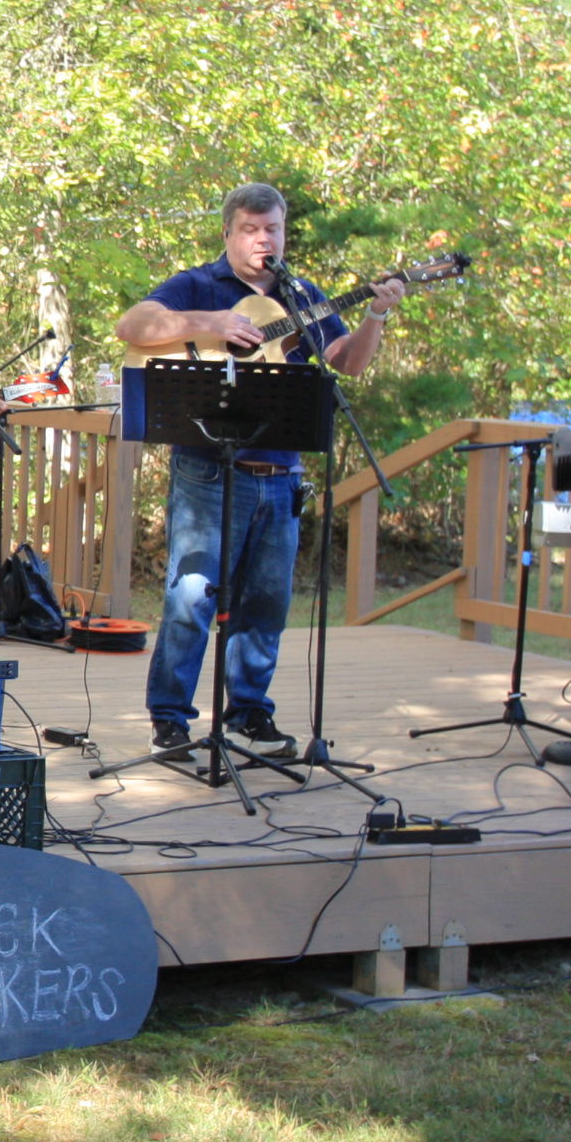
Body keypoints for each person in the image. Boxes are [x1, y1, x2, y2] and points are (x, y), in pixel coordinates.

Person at [113, 182, 403, 764]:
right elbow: (134, 325)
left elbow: (347, 362)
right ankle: (169, 720)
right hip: (208, 470)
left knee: (267, 602)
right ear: (229, 233)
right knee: (192, 597)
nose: (262, 239)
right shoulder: (199, 284)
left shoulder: (301, 295)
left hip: (281, 471)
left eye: (272, 228)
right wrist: (212, 323)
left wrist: (375, 313)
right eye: (250, 229)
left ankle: (248, 714)